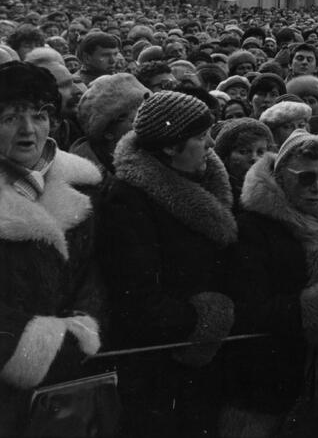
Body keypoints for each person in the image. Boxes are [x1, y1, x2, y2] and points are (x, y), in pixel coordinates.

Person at [98, 90, 237, 437]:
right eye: (201, 137)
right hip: (162, 366)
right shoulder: (127, 201)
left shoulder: (205, 180)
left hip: (202, 358)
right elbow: (137, 298)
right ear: (171, 147)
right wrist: (201, 320)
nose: (210, 146)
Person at [224, 130, 318, 433]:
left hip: (308, 379)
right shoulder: (252, 228)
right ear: (281, 176)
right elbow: (249, 308)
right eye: (306, 178)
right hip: (265, 387)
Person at [0, 63, 104, 435]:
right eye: (11, 117)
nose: (28, 130)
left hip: (70, 385)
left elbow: (97, 274)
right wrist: (39, 346)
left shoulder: (85, 186)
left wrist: (83, 330)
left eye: (39, 115)